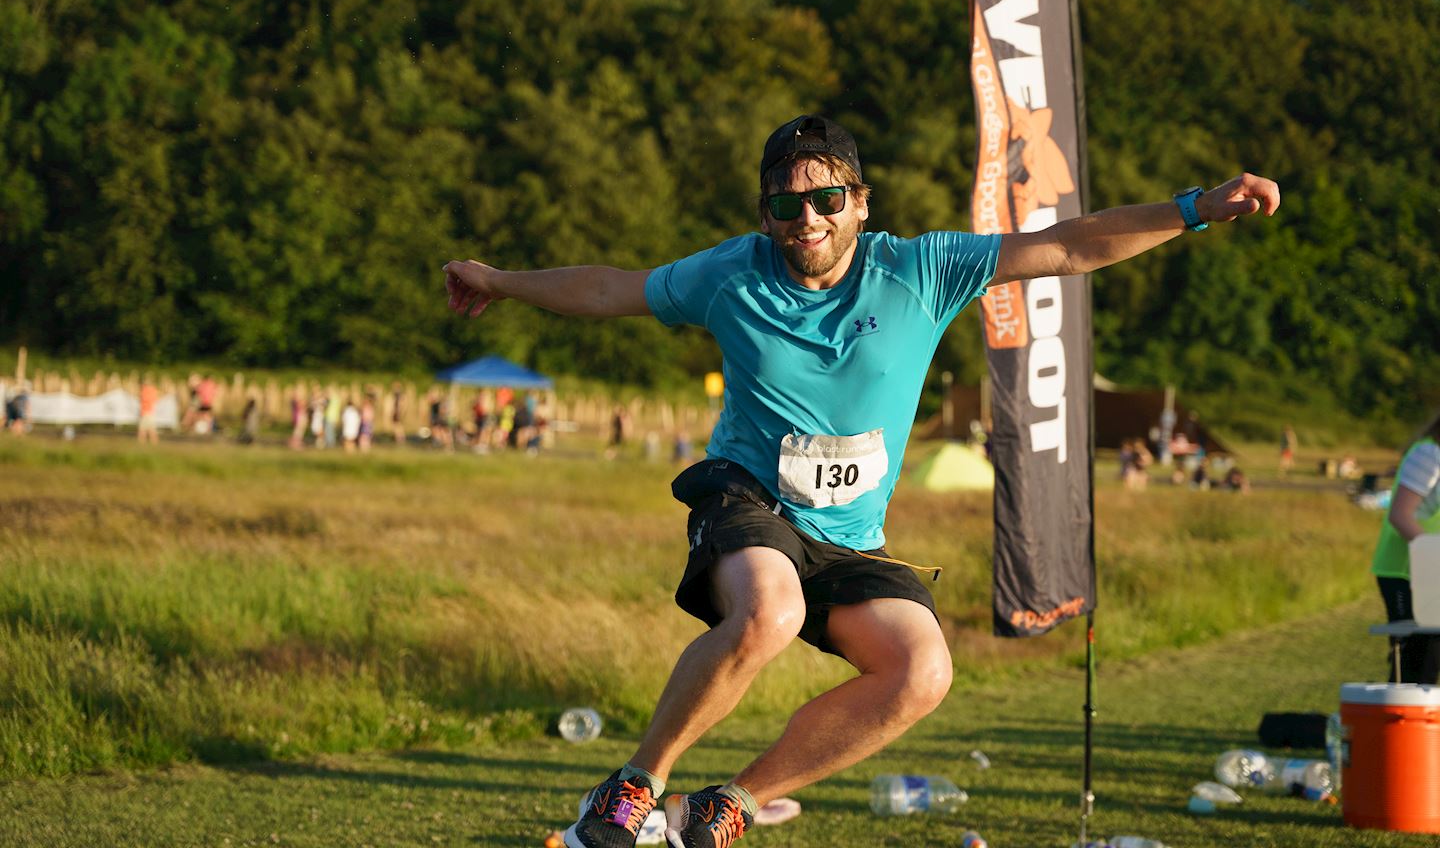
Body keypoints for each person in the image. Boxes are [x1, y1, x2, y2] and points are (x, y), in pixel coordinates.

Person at [443, 114, 1281, 848]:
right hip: (749, 497)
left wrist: (1193, 210)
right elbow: (611, 288)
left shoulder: (924, 269)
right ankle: (633, 786)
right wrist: (500, 281)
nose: (806, 219)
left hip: (850, 536)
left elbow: (1070, 244)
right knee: (772, 609)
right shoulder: (730, 274)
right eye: (785, 204)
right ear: (765, 212)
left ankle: (729, 805)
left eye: (826, 199)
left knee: (923, 671)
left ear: (861, 202)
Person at [1371, 410, 1440, 684]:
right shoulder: (1429, 455)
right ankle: (1398, 725)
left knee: (1430, 656)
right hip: (1403, 572)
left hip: (1429, 572)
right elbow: (1400, 515)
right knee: (1415, 660)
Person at [137, 377, 161, 445]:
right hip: (149, 412)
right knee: (150, 430)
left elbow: (143, 399)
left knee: (143, 430)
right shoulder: (153, 390)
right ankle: (153, 444)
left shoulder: (146, 390)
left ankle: (142, 444)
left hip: (147, 412)